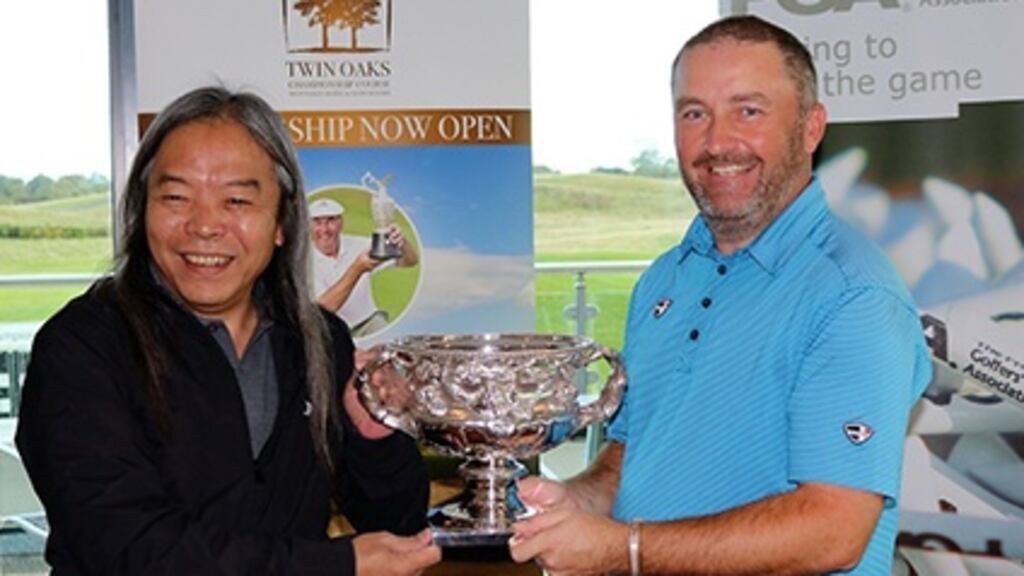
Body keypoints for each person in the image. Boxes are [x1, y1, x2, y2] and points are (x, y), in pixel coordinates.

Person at [509, 15, 932, 576]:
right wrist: (575, 502)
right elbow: (634, 453)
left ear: (811, 128)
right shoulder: (665, 279)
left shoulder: (854, 296)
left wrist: (622, 550)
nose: (717, 142)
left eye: (748, 110)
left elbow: (833, 530)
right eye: (694, 113)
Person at [15, 86, 440, 575]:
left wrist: (373, 439)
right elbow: (122, 546)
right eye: (176, 197)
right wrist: (331, 565)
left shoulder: (319, 341)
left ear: (282, 222)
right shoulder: (83, 348)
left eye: (236, 200)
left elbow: (398, 525)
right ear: (141, 211)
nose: (204, 226)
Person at [309, 197, 419, 337]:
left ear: (341, 222)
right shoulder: (301, 260)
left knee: (384, 338)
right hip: (327, 330)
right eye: (317, 222)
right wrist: (357, 269)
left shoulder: (359, 244)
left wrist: (402, 243)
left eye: (331, 220)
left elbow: (410, 261)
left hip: (368, 323)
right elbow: (323, 309)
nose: (324, 229)